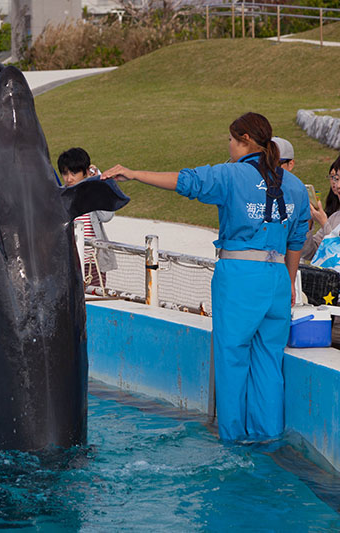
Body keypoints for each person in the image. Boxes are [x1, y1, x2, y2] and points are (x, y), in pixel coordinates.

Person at [101, 112, 310, 443]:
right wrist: (288, 285)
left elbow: (185, 181)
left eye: (230, 139)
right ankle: (267, 443)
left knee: (232, 359)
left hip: (240, 277)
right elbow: (296, 242)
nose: (228, 145)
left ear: (244, 141)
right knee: (269, 364)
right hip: (277, 280)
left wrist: (133, 173)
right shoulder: (296, 186)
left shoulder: (230, 176)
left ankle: (232, 442)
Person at [58, 147, 117, 290]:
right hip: (67, 265)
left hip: (93, 265)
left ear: (85, 172)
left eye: (74, 173)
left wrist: (97, 184)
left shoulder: (92, 194)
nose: (69, 178)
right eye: (65, 173)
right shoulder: (59, 196)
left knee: (93, 302)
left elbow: (107, 215)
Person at [301, 154, 340, 261]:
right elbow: (310, 253)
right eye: (336, 178)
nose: (337, 185)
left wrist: (324, 223)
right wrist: (308, 222)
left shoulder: (328, 220)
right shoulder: (335, 217)